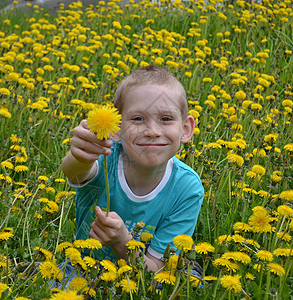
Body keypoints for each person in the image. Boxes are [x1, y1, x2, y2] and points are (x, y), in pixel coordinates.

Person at [61, 65, 204, 273]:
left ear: (186, 129)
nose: (153, 131)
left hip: (145, 273)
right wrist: (81, 154)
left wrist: (122, 242)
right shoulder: (104, 158)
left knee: (182, 282)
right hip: (85, 267)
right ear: (116, 129)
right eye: (138, 119)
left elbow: (154, 272)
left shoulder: (187, 188)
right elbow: (74, 171)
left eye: (166, 119)